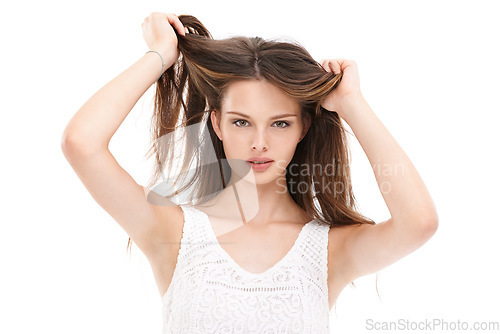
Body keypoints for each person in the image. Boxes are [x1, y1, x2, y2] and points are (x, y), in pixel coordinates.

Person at [61, 12, 439, 334]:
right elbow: (82, 143)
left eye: (279, 124)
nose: (259, 143)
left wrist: (351, 103)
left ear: (303, 129)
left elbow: (418, 222)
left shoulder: (330, 250)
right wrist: (161, 54)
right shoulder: (172, 232)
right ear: (217, 125)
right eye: (242, 123)